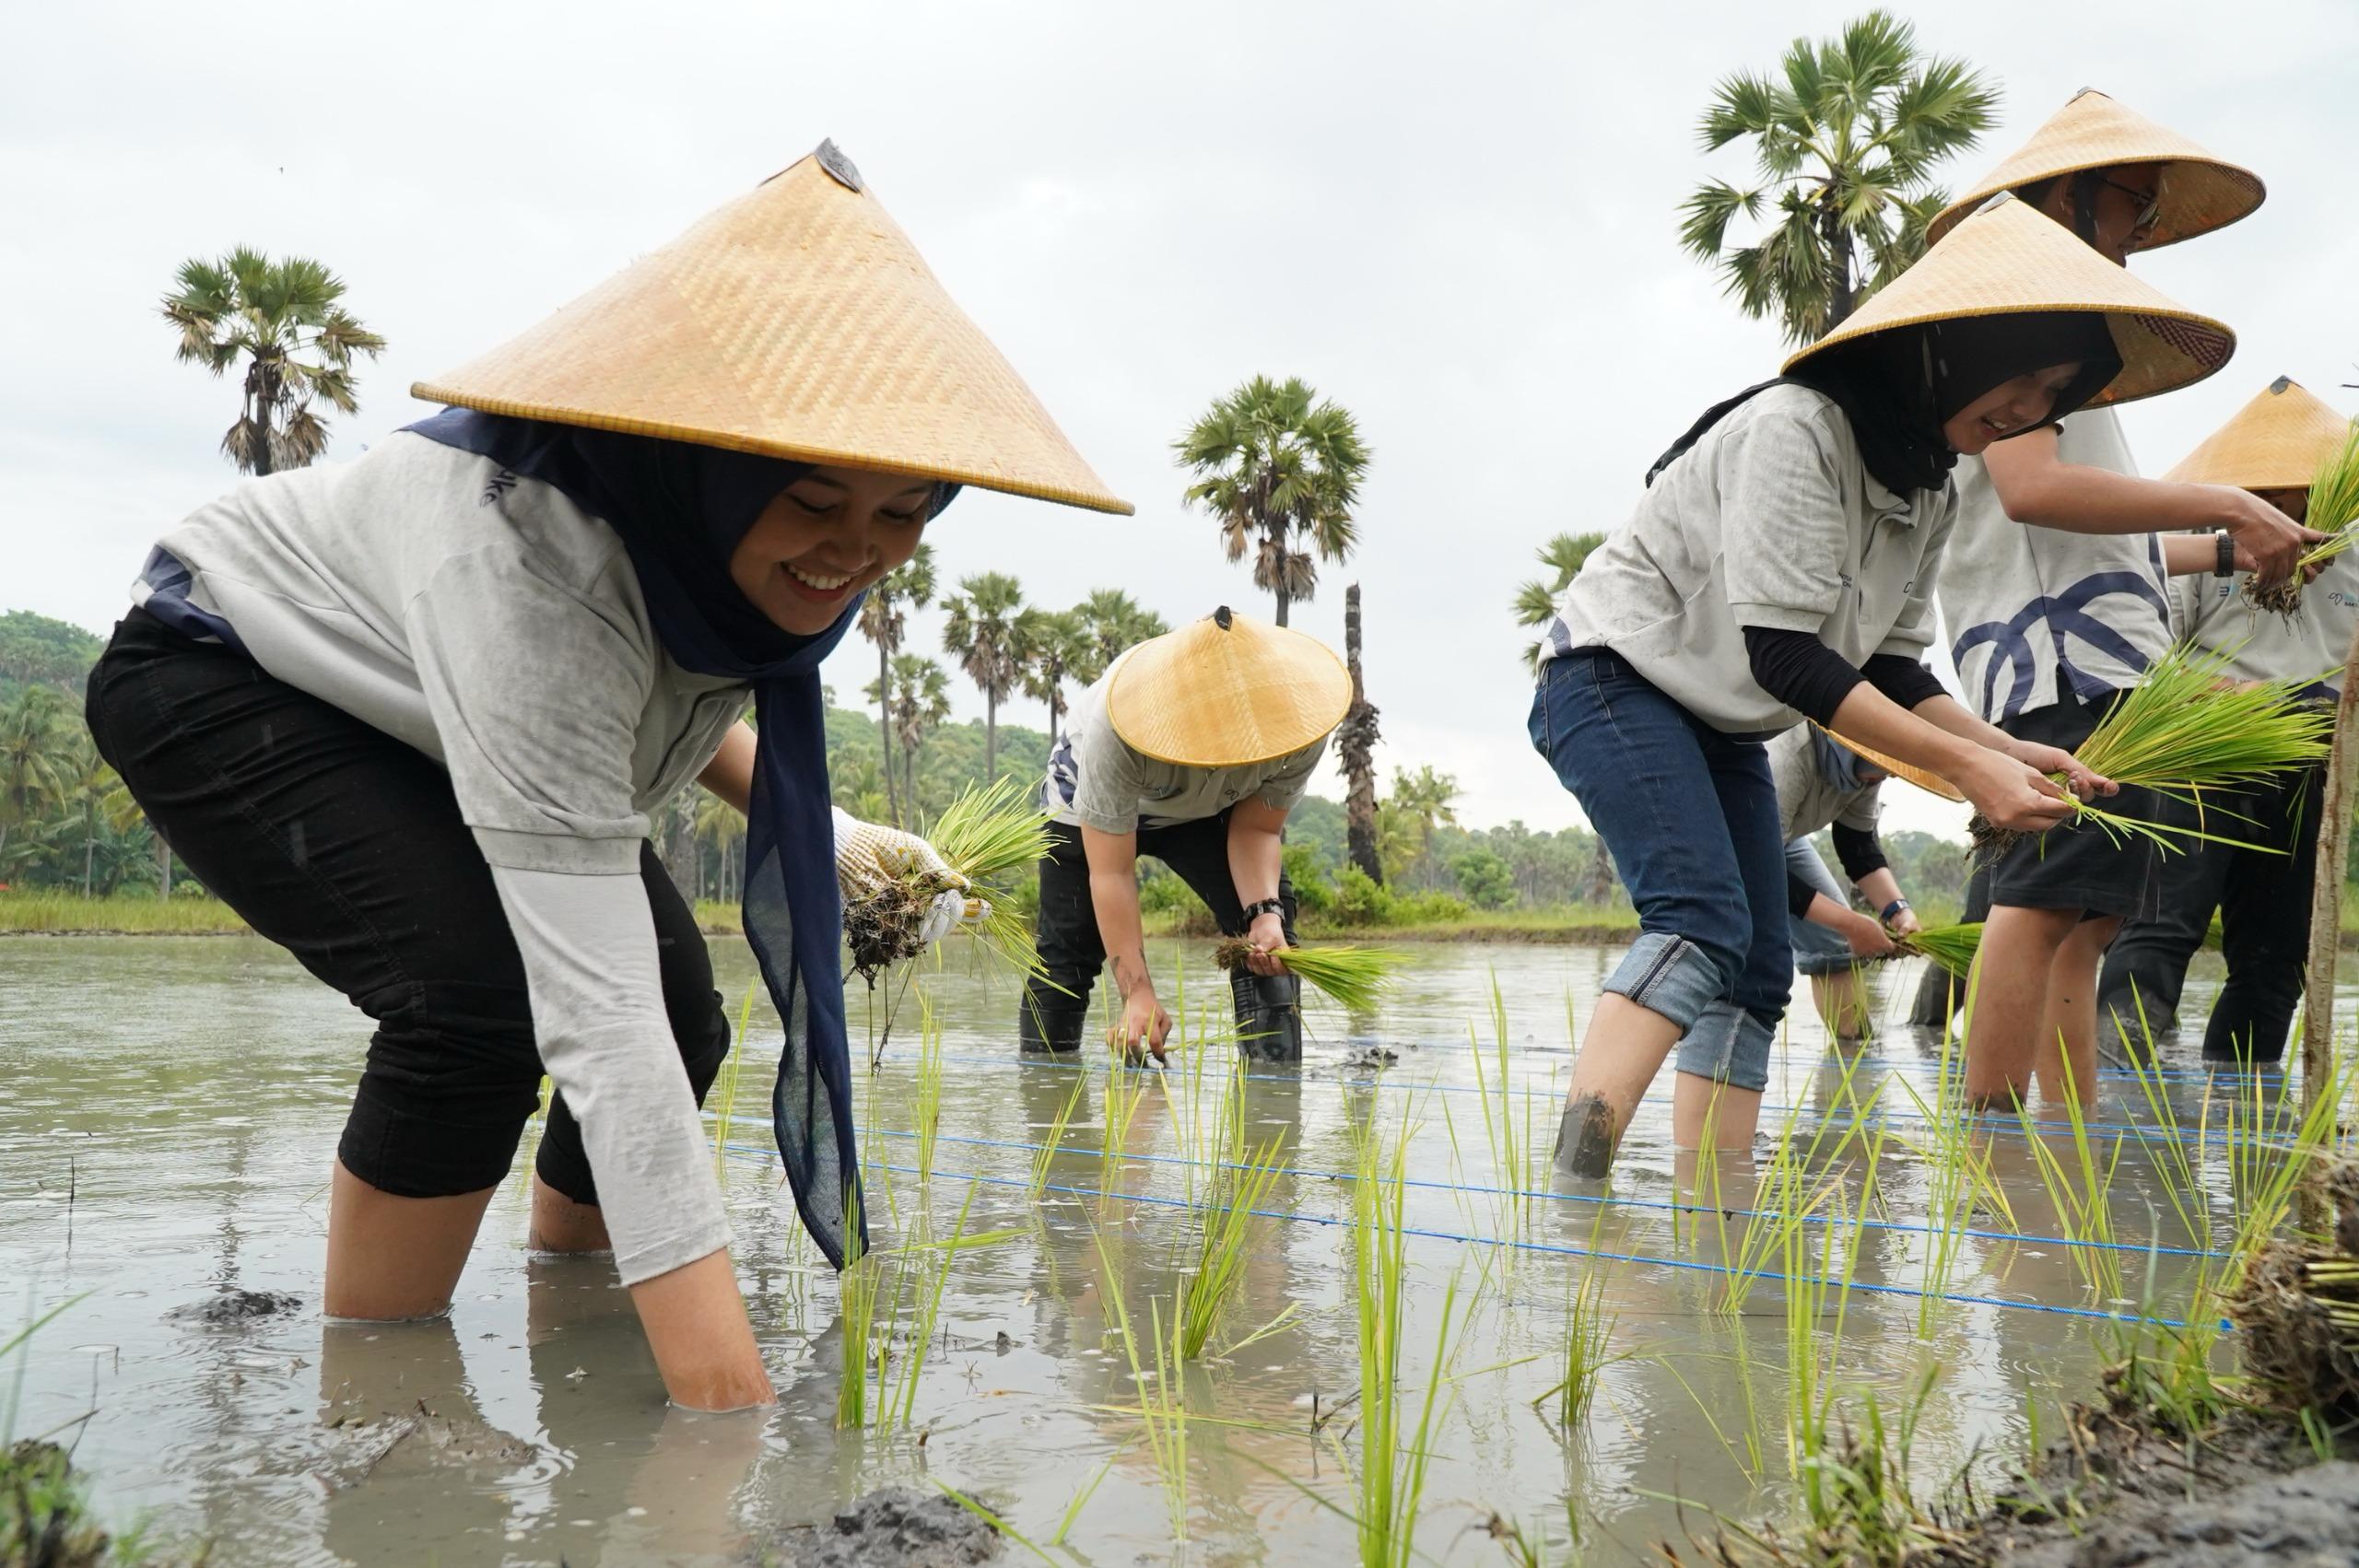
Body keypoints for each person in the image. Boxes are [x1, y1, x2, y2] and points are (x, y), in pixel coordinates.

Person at [84, 142, 1132, 1411]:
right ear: (714, 462)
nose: (855, 553)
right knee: (475, 999)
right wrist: (727, 1423)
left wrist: (841, 829)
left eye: (904, 512)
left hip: (429, 710)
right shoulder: (527, 557)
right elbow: (600, 1021)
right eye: (809, 499)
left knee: (688, 1006)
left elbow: (645, 713)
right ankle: (382, 1396)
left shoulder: (709, 553)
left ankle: (568, 1305)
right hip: (231, 670)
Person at [1532, 193, 2234, 1177]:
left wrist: (2004, 748)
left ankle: (1715, 1200)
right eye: (2021, 380)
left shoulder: (1931, 482)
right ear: (1949, 351)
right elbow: (1788, 656)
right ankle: (1577, 1186)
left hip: (1721, 719)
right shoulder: (1796, 429)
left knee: (1762, 966)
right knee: (1698, 923)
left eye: (2053, 394)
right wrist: (1962, 772)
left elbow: (1893, 666)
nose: (2028, 412)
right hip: (1613, 679)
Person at [1919, 90, 2319, 1104]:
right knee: (2043, 901)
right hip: (2058, 660)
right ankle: (1999, 1148)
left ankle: (2067, 1142)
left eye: (2144, 216)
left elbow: (2114, 537)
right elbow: (2032, 492)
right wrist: (2230, 498)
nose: (2135, 234)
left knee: (2090, 919)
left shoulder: (2065, 343)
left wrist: (2230, 549)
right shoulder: (2014, 319)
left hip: (2103, 658)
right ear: (2063, 195)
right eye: (2128, 206)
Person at [2097, 378, 2355, 1063]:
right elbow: (2148, 658)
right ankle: (2108, 1132)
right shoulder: (2200, 549)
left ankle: (2247, 1133)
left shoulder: (2355, 557)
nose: (2271, 511)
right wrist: (2237, 696)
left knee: (2275, 959)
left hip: (2310, 771)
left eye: (2287, 495)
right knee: (2158, 932)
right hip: (2201, 758)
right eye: (2256, 496)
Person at [1021, 607, 1349, 1063]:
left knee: (1271, 937)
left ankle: (1272, 1087)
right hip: (1085, 805)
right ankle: (1045, 1083)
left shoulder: (1301, 730)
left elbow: (1256, 828)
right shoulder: (1115, 732)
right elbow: (1111, 873)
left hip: (1206, 810)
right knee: (1066, 954)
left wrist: (1264, 915)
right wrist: (1137, 991)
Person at [1757, 728, 1958, 1042]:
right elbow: (1760, 868)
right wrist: (1851, 924)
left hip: (1776, 838)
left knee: (1833, 942)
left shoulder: (1865, 768)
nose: (1889, 776)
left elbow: (1856, 845)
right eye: (1886, 767)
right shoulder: (1788, 757)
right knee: (1730, 949)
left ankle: (1854, 1054)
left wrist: (1899, 911)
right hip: (1724, 833)